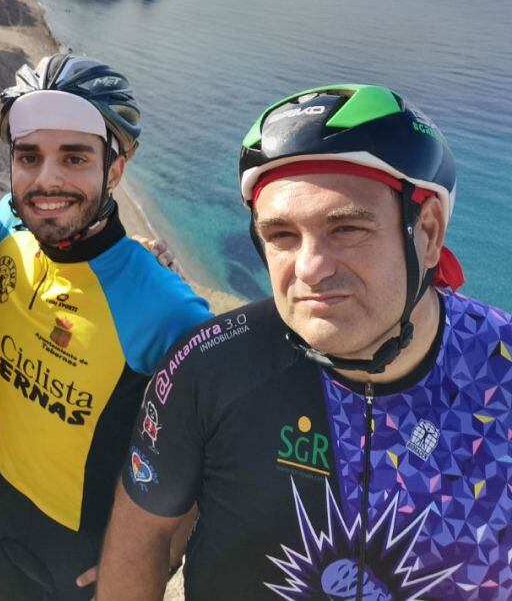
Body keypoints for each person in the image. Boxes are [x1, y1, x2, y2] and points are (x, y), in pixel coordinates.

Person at [96, 84, 512, 600]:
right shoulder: (208, 364)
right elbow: (143, 539)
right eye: (282, 236)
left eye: (347, 229)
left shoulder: (502, 370)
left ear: (427, 233)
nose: (311, 268)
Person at [0, 54, 212, 600]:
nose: (46, 180)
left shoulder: (164, 307)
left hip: (83, 555)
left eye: (74, 158)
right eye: (28, 157)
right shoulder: (6, 229)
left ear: (116, 169)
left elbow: (215, 446)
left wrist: (159, 553)